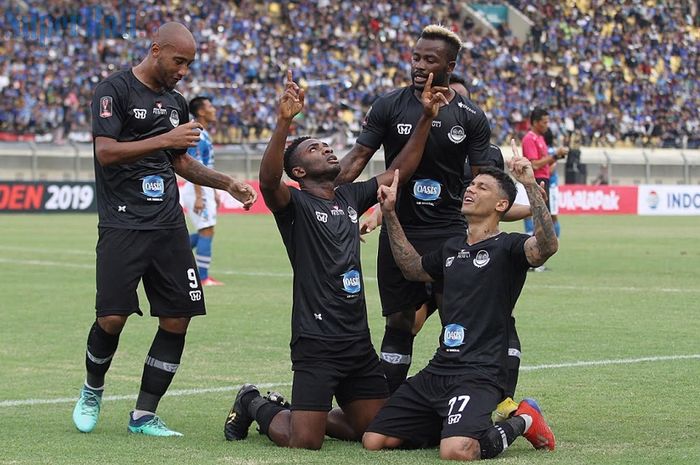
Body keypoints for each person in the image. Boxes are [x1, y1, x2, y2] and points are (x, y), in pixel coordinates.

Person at [222, 70, 448, 449]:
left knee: (371, 429)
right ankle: (253, 402)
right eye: (314, 149)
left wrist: (426, 117)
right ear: (298, 172)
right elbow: (266, 181)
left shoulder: (348, 198)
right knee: (304, 442)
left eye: (326, 146)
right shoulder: (293, 204)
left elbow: (399, 172)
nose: (326, 149)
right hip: (317, 341)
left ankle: (304, 411)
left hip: (356, 341)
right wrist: (284, 122)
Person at [72, 22, 257, 437]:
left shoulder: (176, 102)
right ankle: (92, 389)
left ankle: (144, 415)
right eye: (179, 61)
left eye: (189, 64)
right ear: (156, 50)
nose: (183, 71)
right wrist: (165, 137)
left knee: (177, 318)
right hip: (122, 221)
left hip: (167, 223)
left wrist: (227, 182)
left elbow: (181, 162)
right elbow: (105, 153)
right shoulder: (113, 90)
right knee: (112, 319)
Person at [362, 144, 559, 460]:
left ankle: (524, 420)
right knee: (373, 439)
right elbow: (412, 268)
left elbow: (547, 246)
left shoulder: (509, 247)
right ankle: (453, 424)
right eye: (471, 184)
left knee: (456, 451)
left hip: (480, 371)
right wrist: (389, 214)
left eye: (482, 187)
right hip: (440, 368)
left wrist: (530, 185)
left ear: (501, 204)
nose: (471, 189)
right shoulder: (451, 248)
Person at [337, 24, 493, 395]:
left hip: (448, 231)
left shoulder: (471, 117)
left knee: (455, 315)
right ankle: (389, 398)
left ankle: (458, 392)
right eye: (416, 57)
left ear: (450, 65)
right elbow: (359, 157)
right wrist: (325, 191)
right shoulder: (389, 105)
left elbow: (483, 179)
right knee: (400, 320)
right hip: (398, 226)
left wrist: (485, 231)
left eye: (430, 60)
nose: (419, 65)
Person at [181, 96, 224, 286]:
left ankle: (171, 251)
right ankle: (203, 277)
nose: (214, 109)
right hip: (196, 187)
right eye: (210, 106)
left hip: (204, 187)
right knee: (206, 231)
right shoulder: (196, 133)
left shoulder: (203, 133)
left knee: (208, 231)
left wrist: (213, 191)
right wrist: (200, 195)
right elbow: (194, 166)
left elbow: (207, 165)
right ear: (201, 112)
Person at [521, 108, 567, 241]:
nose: (547, 125)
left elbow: (544, 163)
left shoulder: (540, 138)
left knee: (544, 218)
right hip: (537, 180)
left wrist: (557, 156)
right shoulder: (530, 139)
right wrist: (554, 155)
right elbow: (534, 164)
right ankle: (535, 252)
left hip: (544, 179)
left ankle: (540, 251)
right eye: (545, 122)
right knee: (541, 218)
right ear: (535, 122)